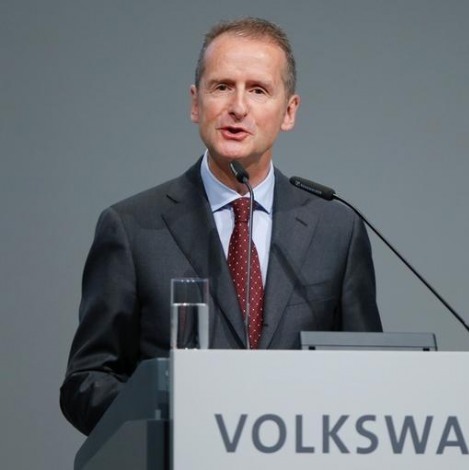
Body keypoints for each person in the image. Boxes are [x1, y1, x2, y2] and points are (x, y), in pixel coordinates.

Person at [60, 17, 382, 435]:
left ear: (289, 111)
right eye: (222, 86)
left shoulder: (337, 230)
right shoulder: (131, 228)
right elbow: (86, 381)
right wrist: (171, 418)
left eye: (258, 90)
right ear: (196, 103)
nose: (238, 107)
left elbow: (371, 376)